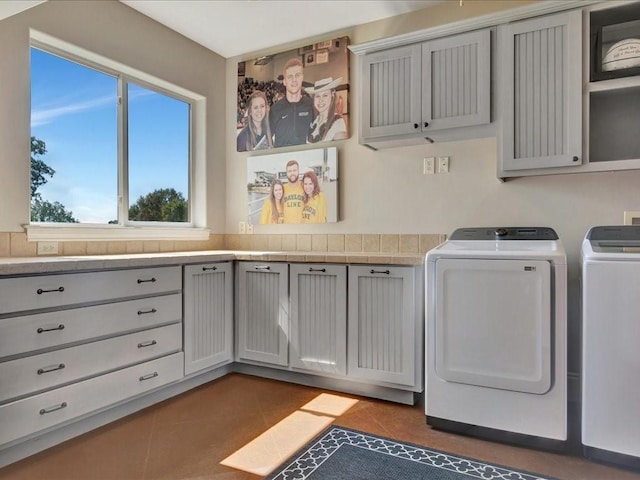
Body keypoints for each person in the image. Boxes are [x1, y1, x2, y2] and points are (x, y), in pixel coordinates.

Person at [269, 58, 314, 147]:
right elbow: (267, 139)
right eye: (290, 76)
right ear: (284, 81)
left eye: (297, 75)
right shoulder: (275, 109)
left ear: (302, 78)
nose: (294, 80)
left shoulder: (311, 105)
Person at [305, 77, 347, 143]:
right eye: (317, 96)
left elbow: (342, 148)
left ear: (332, 96)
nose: (320, 100)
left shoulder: (338, 122)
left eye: (325, 95)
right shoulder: (313, 122)